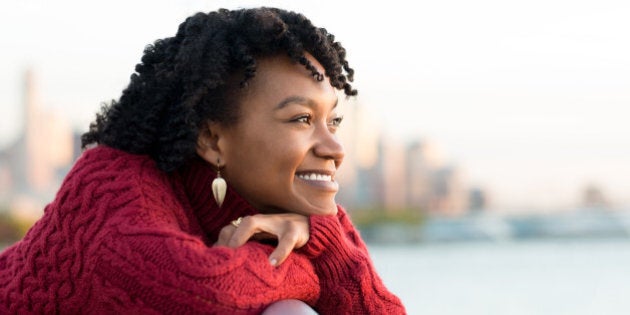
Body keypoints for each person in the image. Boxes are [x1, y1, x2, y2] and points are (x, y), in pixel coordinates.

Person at [0, 7, 406, 314]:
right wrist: (308, 265)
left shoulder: (301, 212)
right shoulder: (112, 190)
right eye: (301, 119)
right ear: (212, 139)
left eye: (333, 121)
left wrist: (322, 238)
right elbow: (210, 291)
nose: (335, 147)